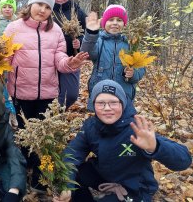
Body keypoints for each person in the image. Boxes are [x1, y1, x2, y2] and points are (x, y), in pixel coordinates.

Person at [4, 0, 89, 192]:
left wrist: (70, 63)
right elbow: (4, 59)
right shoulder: (13, 28)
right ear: (31, 4)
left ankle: (40, 177)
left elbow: (59, 59)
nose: (43, 10)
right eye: (40, 4)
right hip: (21, 94)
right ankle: (22, 172)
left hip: (48, 95)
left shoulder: (56, 31)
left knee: (45, 138)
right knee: (25, 137)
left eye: (48, 7)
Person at [53, 79, 192, 202]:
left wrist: (155, 147)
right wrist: (67, 186)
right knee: (77, 173)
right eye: (101, 103)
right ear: (93, 105)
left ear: (123, 103)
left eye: (113, 102)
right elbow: (71, 154)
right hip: (106, 177)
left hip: (134, 188)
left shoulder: (137, 129)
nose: (107, 108)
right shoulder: (91, 126)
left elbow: (184, 161)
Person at [80, 5, 145, 110]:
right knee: (101, 121)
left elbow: (141, 68)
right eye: (111, 20)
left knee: (123, 121)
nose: (115, 23)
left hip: (124, 93)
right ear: (104, 23)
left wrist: (133, 74)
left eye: (119, 20)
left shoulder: (131, 43)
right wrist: (91, 34)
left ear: (124, 24)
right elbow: (86, 52)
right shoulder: (99, 41)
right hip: (101, 92)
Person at [52, 0, 87, 109]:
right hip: (51, 58)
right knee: (52, 91)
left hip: (71, 58)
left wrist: (81, 41)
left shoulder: (78, 12)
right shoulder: (48, 11)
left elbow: (89, 33)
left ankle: (61, 109)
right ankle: (55, 116)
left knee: (71, 94)